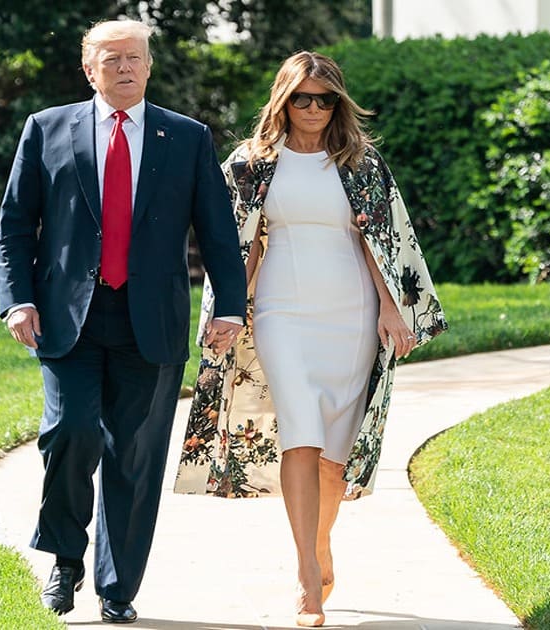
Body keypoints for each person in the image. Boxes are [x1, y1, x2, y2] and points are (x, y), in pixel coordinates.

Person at [172, 51, 448, 626]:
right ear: (283, 99)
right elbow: (237, 245)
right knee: (298, 433)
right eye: (303, 98)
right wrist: (226, 313)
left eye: (326, 99)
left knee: (332, 458)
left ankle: (321, 543)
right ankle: (305, 573)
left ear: (339, 103)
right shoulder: (250, 164)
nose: (315, 108)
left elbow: (385, 242)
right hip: (280, 311)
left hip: (351, 312)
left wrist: (394, 310)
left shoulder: (362, 164)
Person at [0, 19, 246, 624]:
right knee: (72, 432)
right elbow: (14, 227)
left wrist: (231, 306)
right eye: (112, 59)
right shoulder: (47, 129)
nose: (126, 68)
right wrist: (17, 300)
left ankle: (117, 587)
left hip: (150, 321)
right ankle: (64, 559)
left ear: (149, 67)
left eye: (135, 58)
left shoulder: (185, 137)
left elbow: (217, 231)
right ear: (90, 70)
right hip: (67, 318)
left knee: (134, 454)